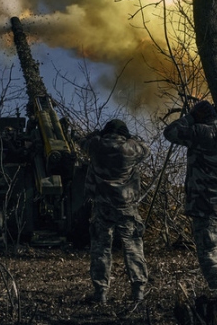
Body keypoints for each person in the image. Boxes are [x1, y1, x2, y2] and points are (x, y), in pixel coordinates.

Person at [163, 100, 217, 299]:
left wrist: (189, 117)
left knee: (210, 251)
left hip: (204, 201)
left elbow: (170, 132)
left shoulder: (201, 131)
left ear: (200, 116)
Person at [82, 119, 150, 304]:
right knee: (133, 247)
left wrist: (95, 135)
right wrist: (132, 138)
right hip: (127, 207)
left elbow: (82, 142)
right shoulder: (132, 147)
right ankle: (138, 291)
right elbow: (146, 149)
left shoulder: (96, 145)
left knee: (101, 248)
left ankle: (100, 292)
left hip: (102, 206)